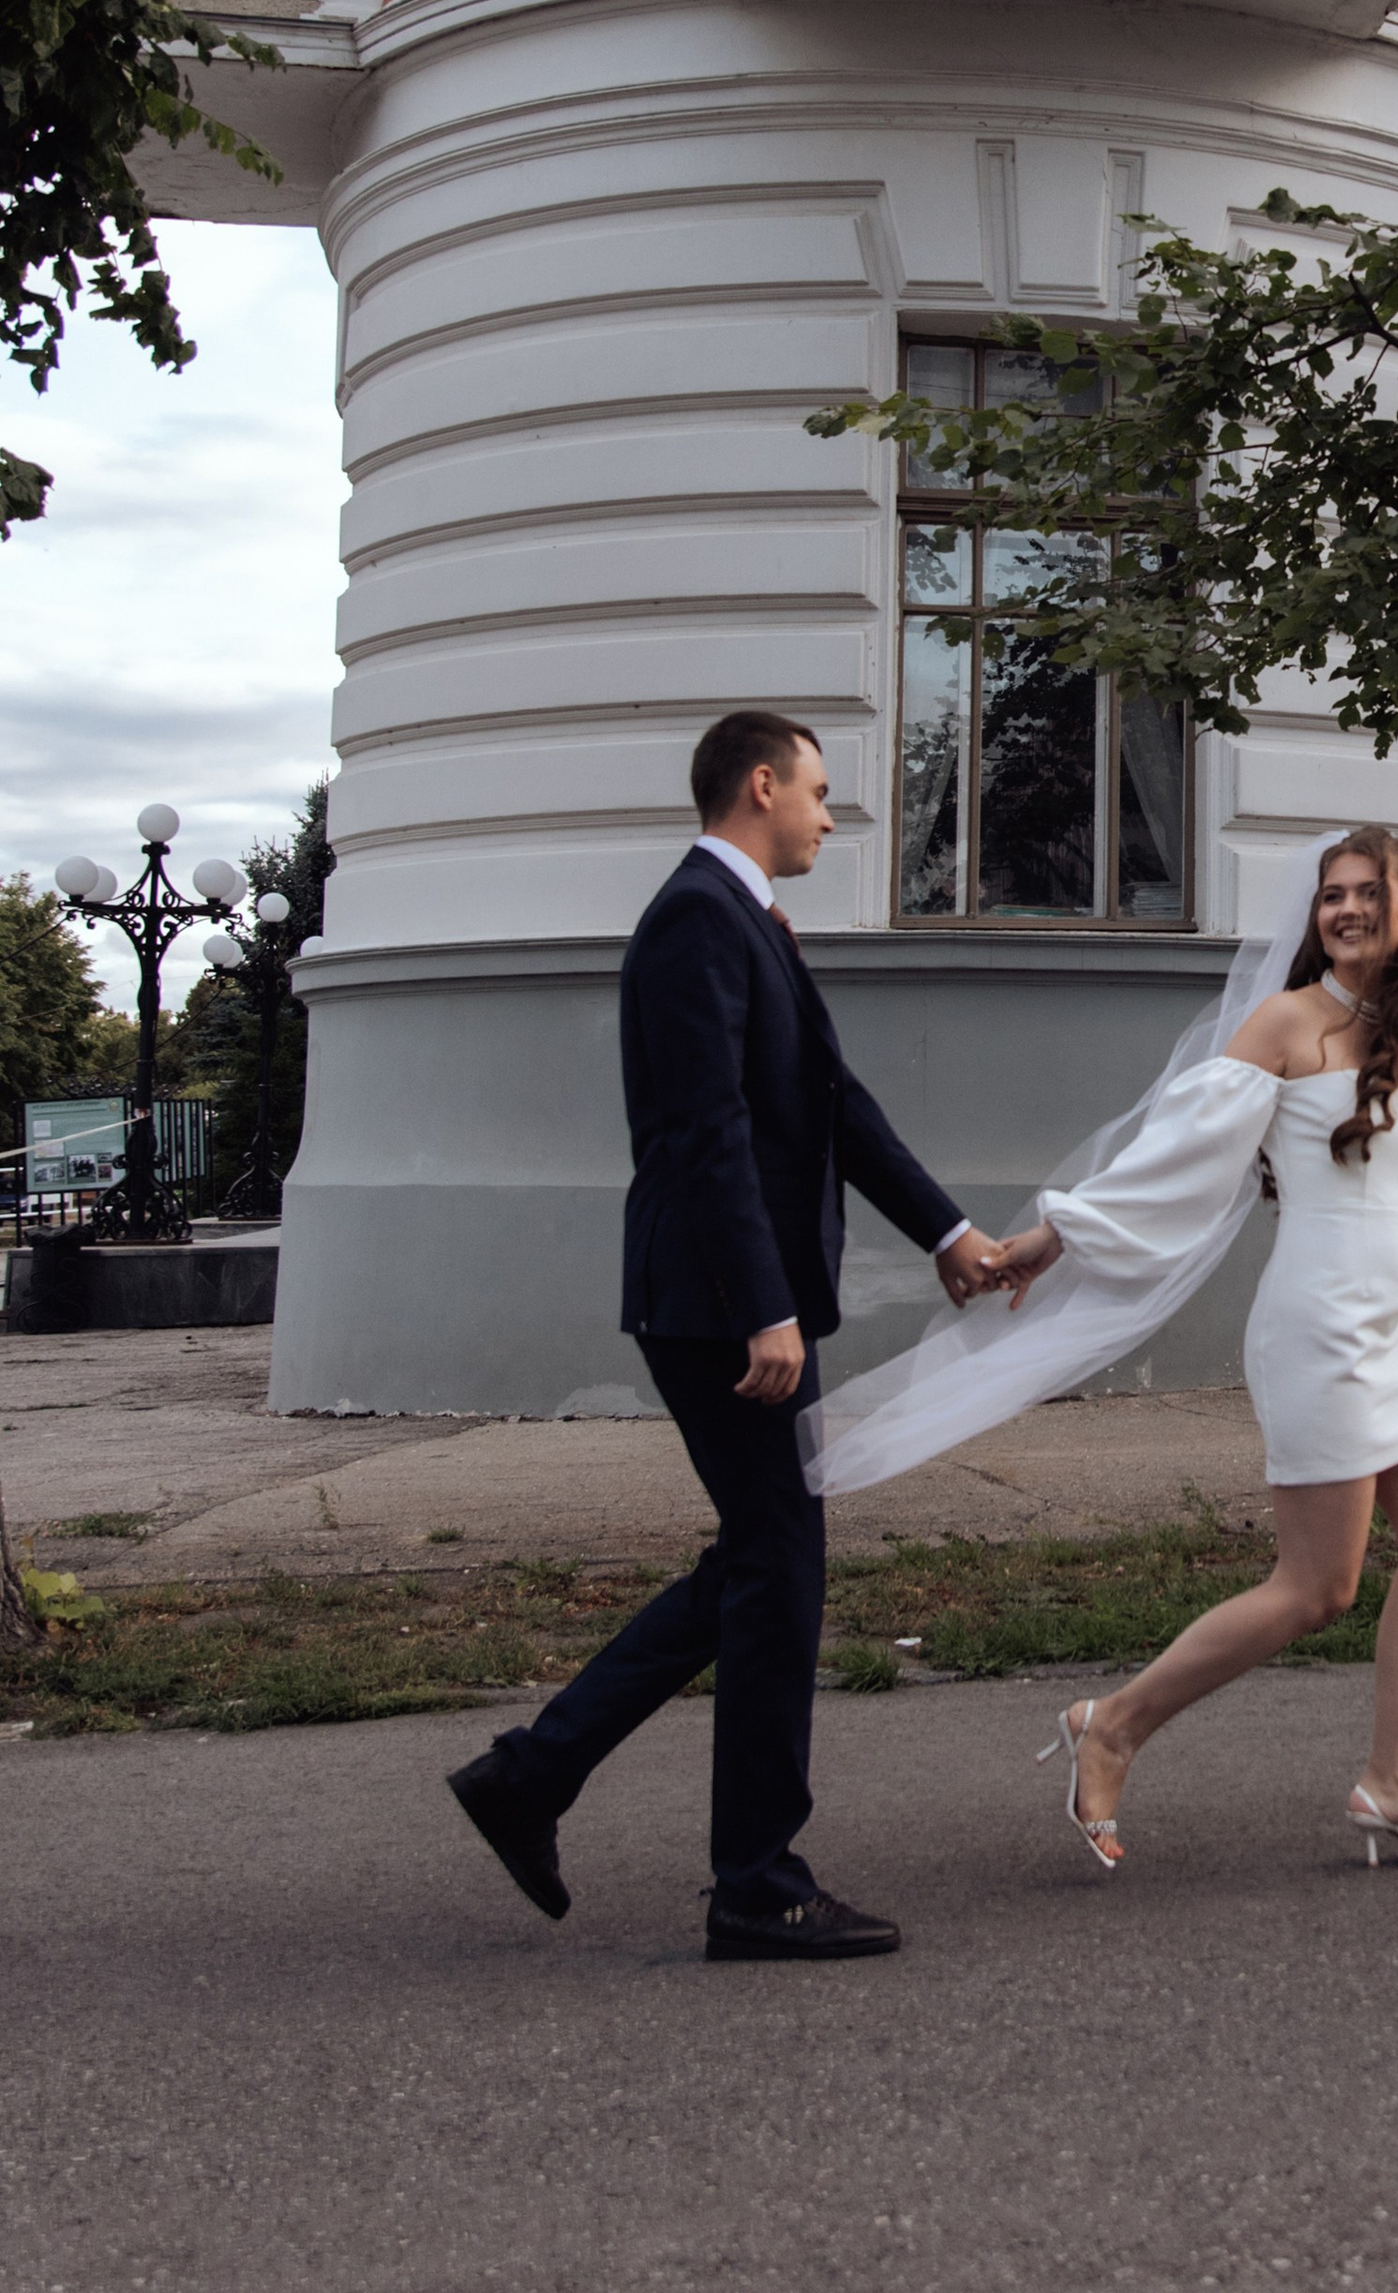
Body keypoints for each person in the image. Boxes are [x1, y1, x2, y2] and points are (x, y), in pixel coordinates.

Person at [445, 710, 1002, 1960]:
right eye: (816, 791)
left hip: (728, 1301)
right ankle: (753, 1884)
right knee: (778, 1571)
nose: (828, 814)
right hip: (717, 1309)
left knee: (759, 1562)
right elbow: (701, 1133)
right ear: (761, 785)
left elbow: (828, 1106)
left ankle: (532, 1777)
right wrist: (767, 1307)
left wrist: (947, 1233)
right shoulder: (702, 917)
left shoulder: (739, 917)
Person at [981, 824, 1398, 1871]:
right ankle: (1110, 1723)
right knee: (1315, 1588)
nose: (1343, 910)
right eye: (1330, 895)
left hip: (1389, 1323)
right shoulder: (1285, 1023)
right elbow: (1174, 1154)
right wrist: (1047, 1237)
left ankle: (1394, 1782)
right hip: (1316, 1324)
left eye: (1364, 894)